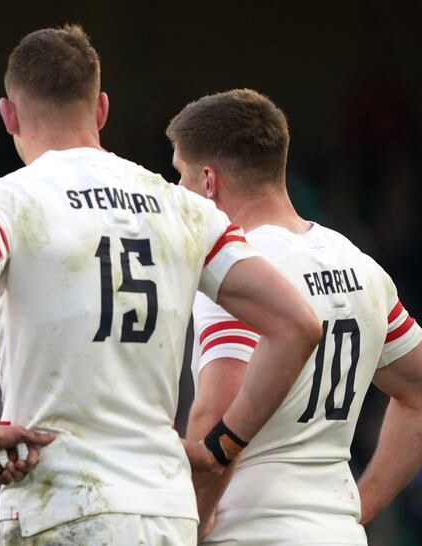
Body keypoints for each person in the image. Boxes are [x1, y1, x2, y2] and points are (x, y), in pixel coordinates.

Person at [0, 25, 321, 546]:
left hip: (62, 505)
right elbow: (298, 324)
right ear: (101, 109)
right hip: (166, 511)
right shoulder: (185, 209)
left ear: (8, 115)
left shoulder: (5, 201)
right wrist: (220, 448)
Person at [169, 88, 422, 545]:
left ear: (208, 182)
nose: (180, 196)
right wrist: (358, 508)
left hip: (251, 532)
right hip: (336, 533)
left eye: (182, 178)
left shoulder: (237, 273)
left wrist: (191, 522)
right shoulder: (361, 266)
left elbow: (217, 404)